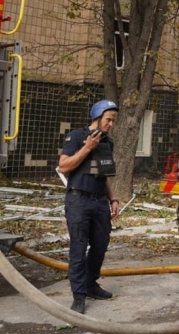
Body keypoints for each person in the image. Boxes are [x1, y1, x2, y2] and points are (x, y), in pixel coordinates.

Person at [58, 100, 121, 314]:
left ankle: (91, 283)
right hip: (78, 200)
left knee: (100, 245)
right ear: (97, 117)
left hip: (99, 201)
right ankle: (78, 295)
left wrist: (113, 199)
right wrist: (87, 147)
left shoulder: (107, 143)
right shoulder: (77, 136)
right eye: (108, 119)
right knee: (78, 248)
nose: (111, 124)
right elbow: (64, 166)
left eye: (113, 120)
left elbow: (104, 175)